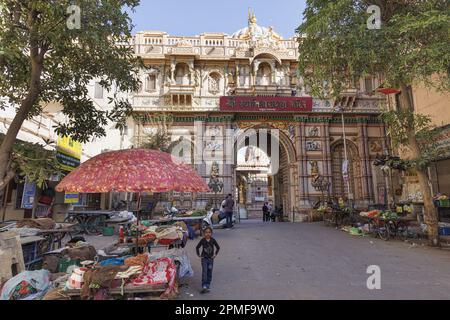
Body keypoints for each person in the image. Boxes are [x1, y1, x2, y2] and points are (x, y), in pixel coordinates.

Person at [196, 226, 220, 293]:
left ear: (211, 233)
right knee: (204, 272)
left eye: (209, 232)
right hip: (204, 259)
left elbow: (218, 247)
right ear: (204, 233)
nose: (208, 234)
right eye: (206, 232)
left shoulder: (213, 240)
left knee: (209, 272)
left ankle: (208, 284)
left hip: (211, 259)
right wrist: (199, 255)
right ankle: (204, 286)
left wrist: (215, 255)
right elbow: (197, 247)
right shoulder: (202, 240)